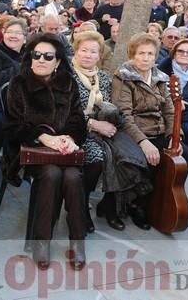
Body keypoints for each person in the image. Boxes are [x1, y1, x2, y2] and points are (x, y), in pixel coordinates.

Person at [4, 33, 87, 270]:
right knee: (51, 174)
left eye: (48, 56)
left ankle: (77, 242)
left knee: (71, 176)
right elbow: (13, 127)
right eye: (36, 55)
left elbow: (78, 120)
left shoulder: (68, 84)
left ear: (58, 61)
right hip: (31, 151)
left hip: (64, 150)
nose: (41, 59)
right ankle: (42, 241)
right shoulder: (18, 84)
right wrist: (43, 137)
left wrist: (70, 138)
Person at [112, 33, 188, 230]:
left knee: (187, 157)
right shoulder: (123, 77)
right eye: (141, 53)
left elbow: (169, 109)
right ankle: (137, 203)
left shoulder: (160, 77)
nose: (146, 58)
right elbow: (124, 116)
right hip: (134, 132)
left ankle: (159, 197)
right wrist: (143, 142)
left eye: (150, 54)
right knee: (150, 159)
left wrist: (174, 137)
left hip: (159, 131)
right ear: (132, 54)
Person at [70, 31, 119, 232]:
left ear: (99, 55)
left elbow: (109, 105)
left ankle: (110, 206)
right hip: (76, 130)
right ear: (76, 51)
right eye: (84, 50)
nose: (88, 55)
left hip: (103, 128)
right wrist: (92, 124)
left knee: (123, 155)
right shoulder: (66, 75)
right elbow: (65, 111)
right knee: (97, 158)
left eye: (93, 52)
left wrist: (109, 123)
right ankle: (81, 205)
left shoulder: (103, 78)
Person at [158, 39, 188, 158]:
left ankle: (182, 158)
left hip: (187, 111)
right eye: (180, 51)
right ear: (174, 53)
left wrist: (187, 104)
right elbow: (157, 92)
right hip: (165, 109)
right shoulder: (163, 67)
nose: (184, 54)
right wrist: (171, 103)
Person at [0, 17, 27, 94]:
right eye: (9, 32)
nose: (13, 36)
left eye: (18, 33)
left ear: (25, 39)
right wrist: (22, 67)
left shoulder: (29, 54)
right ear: (3, 34)